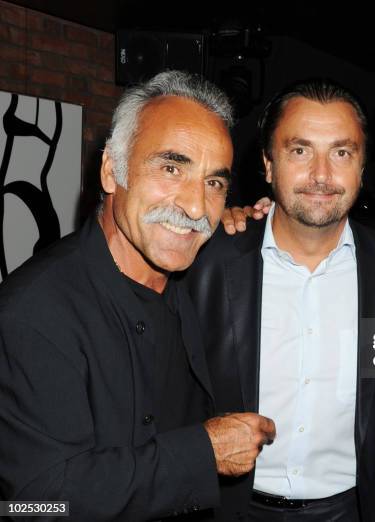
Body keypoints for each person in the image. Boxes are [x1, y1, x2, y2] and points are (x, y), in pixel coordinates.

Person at [0, 71, 275, 521]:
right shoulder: (33, 313)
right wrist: (202, 454)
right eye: (172, 168)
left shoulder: (197, 277)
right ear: (112, 170)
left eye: (214, 183)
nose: (194, 207)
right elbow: (34, 503)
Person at [187, 79, 375, 521]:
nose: (321, 174)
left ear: (362, 168)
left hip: (354, 510)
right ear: (267, 165)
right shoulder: (205, 260)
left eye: (342, 153)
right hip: (228, 509)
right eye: (300, 151)